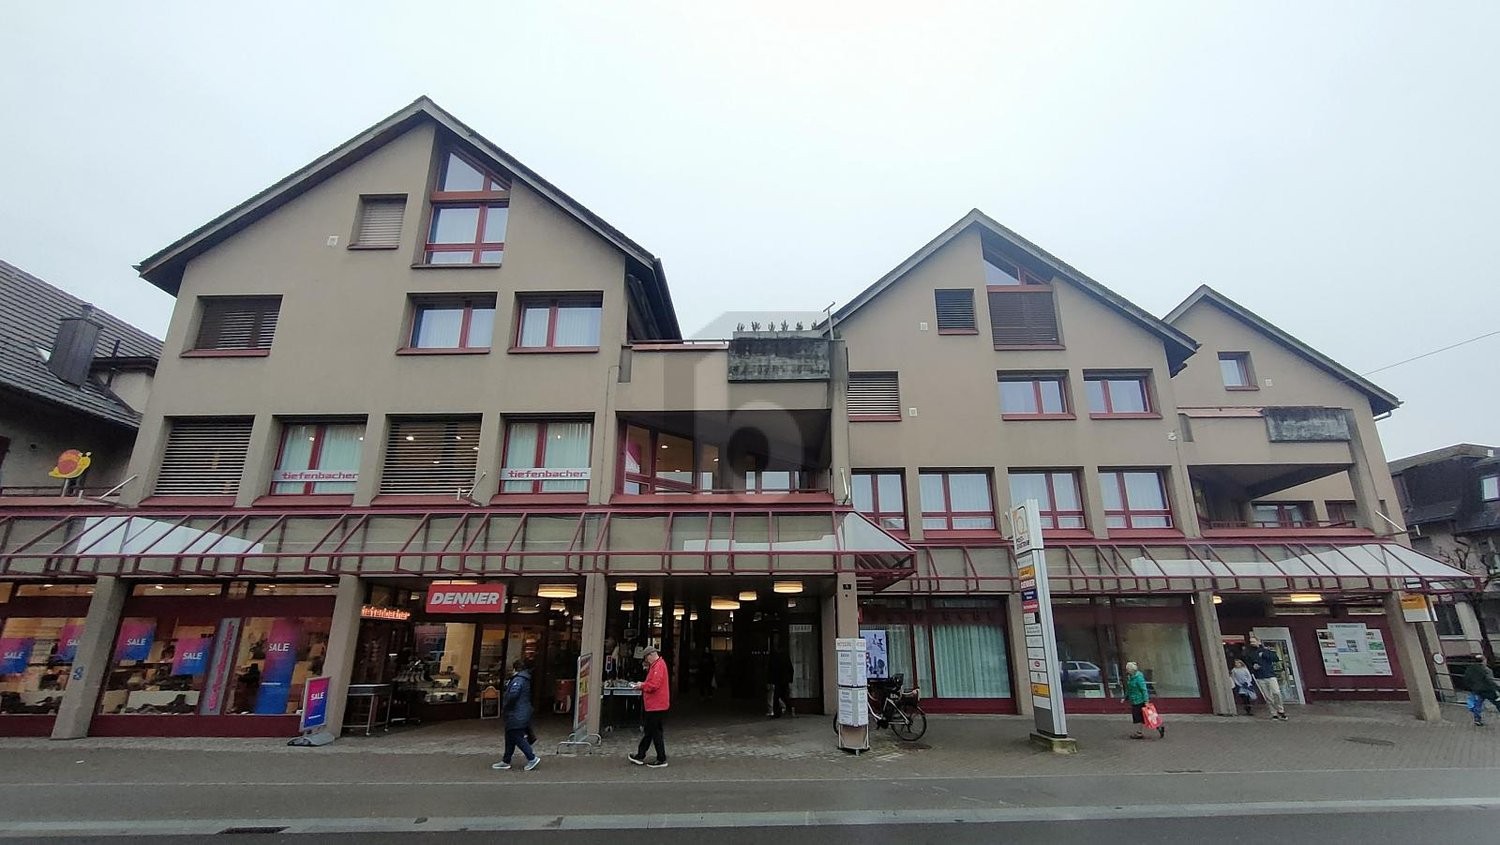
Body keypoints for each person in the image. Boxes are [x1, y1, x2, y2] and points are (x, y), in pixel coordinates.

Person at [492, 658, 541, 771]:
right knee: (510, 736)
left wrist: (507, 705)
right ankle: (506, 760)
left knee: (517, 736)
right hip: (520, 712)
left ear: (515, 669)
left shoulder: (518, 679)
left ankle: (532, 758)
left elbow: (513, 694)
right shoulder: (525, 678)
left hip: (516, 713)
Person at [628, 646, 670, 768]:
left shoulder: (658, 666)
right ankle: (641, 755)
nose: (646, 660)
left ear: (651, 655)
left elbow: (654, 685)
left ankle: (659, 758)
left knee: (653, 732)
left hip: (655, 705)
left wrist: (641, 685)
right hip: (657, 704)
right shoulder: (658, 665)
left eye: (646, 658)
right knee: (652, 731)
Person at [1245, 636, 1288, 720]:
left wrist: (1264, 655)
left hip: (1270, 675)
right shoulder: (1249, 653)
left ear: (1258, 642)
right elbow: (1248, 664)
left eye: (1253, 641)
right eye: (1251, 642)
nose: (1252, 643)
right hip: (1259, 677)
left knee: (1276, 692)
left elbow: (1276, 658)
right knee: (1267, 696)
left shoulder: (1266, 651)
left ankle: (1280, 710)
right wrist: (1253, 667)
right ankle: (1274, 713)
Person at [1122, 661, 1160, 739]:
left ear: (1131, 670)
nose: (1126, 671)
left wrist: (1146, 701)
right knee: (1144, 717)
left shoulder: (1138, 678)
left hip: (1139, 700)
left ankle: (1139, 732)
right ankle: (1157, 728)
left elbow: (1144, 690)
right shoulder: (1130, 677)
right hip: (1134, 700)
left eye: (1127, 669)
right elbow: (1129, 689)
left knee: (1140, 717)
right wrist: (1125, 697)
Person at [1463, 655, 1499, 727]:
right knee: (1498, 702)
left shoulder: (1469, 669)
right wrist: (1498, 689)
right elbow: (1489, 681)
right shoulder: (1486, 670)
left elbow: (1466, 679)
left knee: (1477, 705)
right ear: (1483, 661)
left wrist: (1471, 688)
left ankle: (1477, 719)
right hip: (1487, 690)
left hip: (1477, 690)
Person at [768, 649, 793, 718]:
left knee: (777, 697)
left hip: (778, 680)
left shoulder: (774, 658)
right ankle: (789, 709)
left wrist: (770, 681)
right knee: (784, 696)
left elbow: (770, 670)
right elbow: (790, 669)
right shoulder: (785, 658)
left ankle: (778, 712)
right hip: (784, 680)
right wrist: (790, 679)